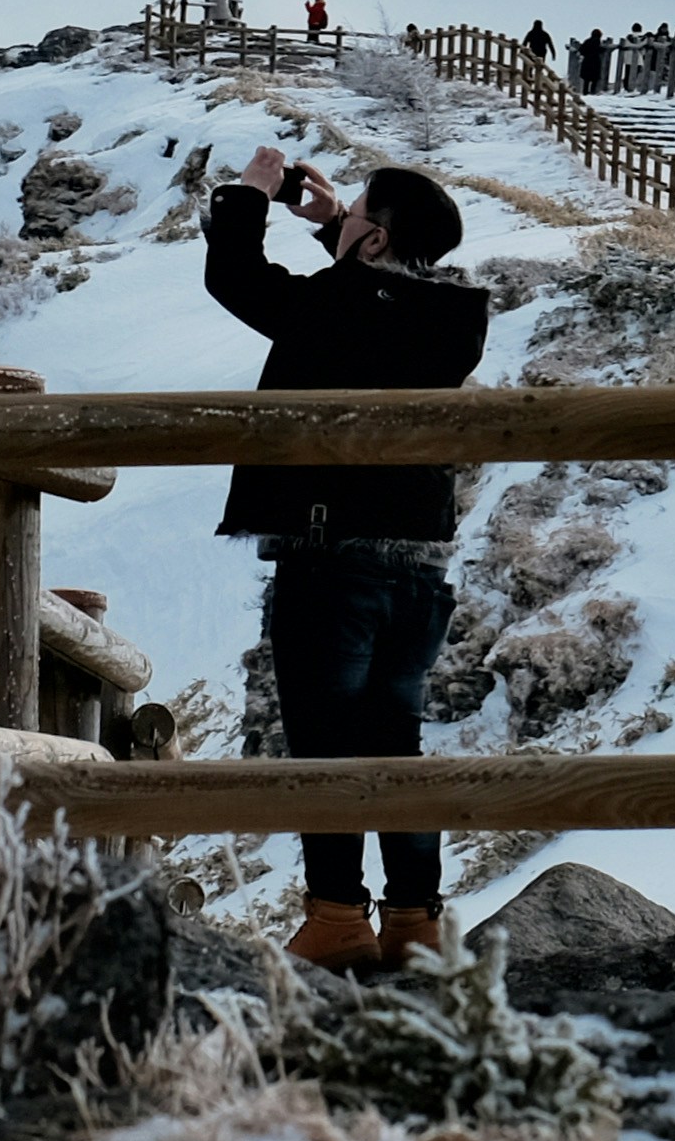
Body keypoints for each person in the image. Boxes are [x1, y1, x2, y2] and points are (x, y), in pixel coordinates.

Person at [207, 142, 489, 973]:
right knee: (395, 741)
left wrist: (249, 196)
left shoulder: (339, 305)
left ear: (374, 240)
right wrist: (338, 220)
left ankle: (336, 916)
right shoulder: (454, 318)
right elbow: (377, 296)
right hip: (420, 569)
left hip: (330, 560)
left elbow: (238, 281)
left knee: (324, 746)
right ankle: (414, 921)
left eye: (359, 214)